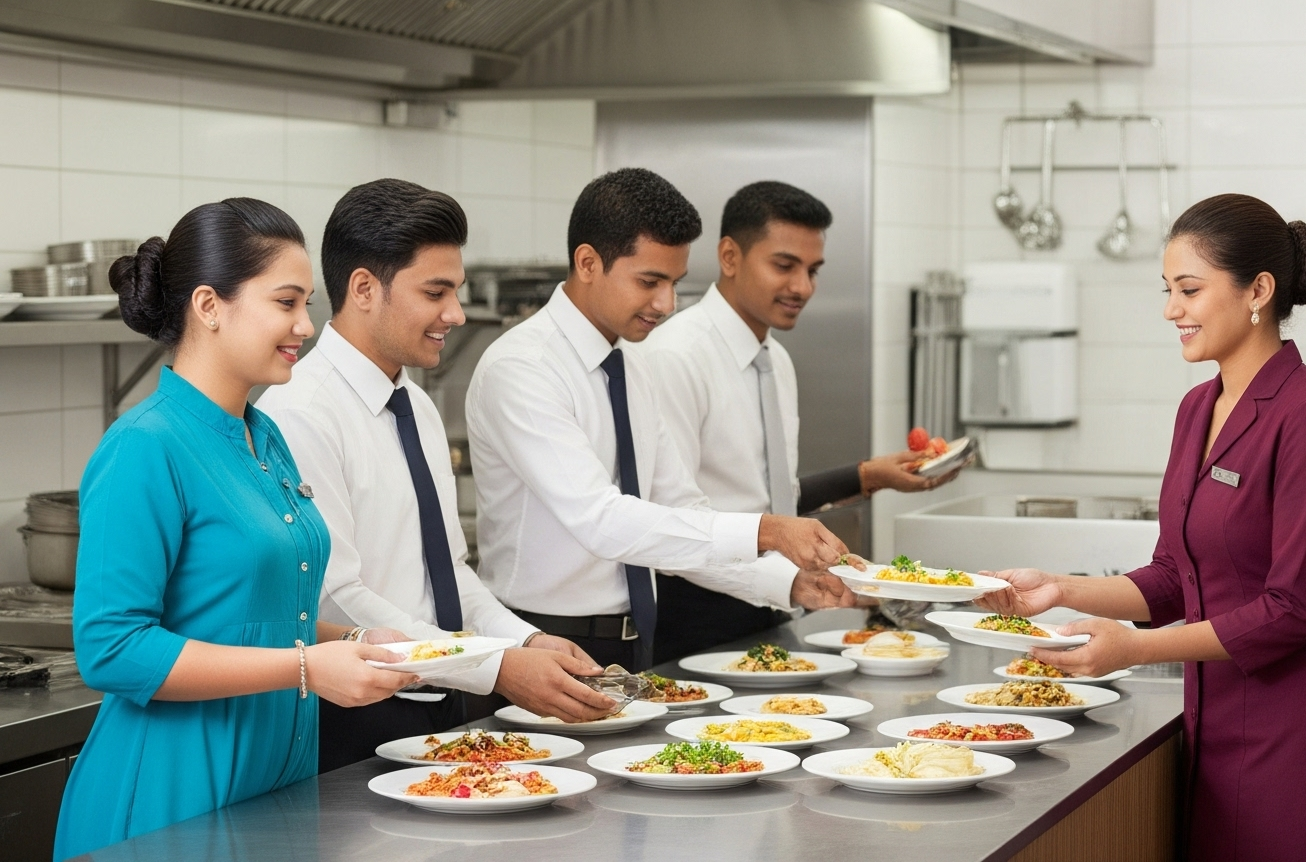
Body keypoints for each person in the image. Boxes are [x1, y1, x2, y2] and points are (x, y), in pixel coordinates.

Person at [978, 195, 1306, 861]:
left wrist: (1134, 650)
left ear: (1259, 290)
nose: (1172, 310)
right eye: (1168, 290)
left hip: (1301, 723)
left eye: (1190, 290)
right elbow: (1174, 575)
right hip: (1215, 714)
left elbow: (1294, 610)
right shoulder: (1198, 408)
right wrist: (1059, 589)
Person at [55, 201, 419, 858]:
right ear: (209, 305)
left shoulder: (264, 433)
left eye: (306, 303)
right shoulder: (144, 446)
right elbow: (110, 648)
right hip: (169, 803)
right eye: (286, 302)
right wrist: (308, 667)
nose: (305, 326)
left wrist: (359, 641)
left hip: (272, 790)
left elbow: (254, 610)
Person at [259, 181, 617, 769]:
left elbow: (448, 570)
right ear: (364, 289)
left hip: (444, 698)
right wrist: (496, 665)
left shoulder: (416, 405)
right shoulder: (300, 413)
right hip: (356, 711)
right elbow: (336, 598)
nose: (455, 313)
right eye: (436, 292)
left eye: (457, 291)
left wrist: (522, 640)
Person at [464, 168, 855, 670]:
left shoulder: (632, 365)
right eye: (649, 281)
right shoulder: (522, 366)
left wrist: (789, 582)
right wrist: (770, 531)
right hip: (541, 640)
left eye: (673, 283)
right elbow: (602, 520)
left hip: (637, 640)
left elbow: (682, 510)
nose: (666, 304)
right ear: (587, 262)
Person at [639, 179, 954, 660]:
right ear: (729, 256)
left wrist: (866, 479)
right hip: (693, 617)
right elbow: (674, 519)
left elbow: (769, 495)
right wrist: (792, 581)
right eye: (784, 266)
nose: (802, 287)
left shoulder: (775, 361)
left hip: (772, 610)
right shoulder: (674, 357)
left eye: (813, 270)